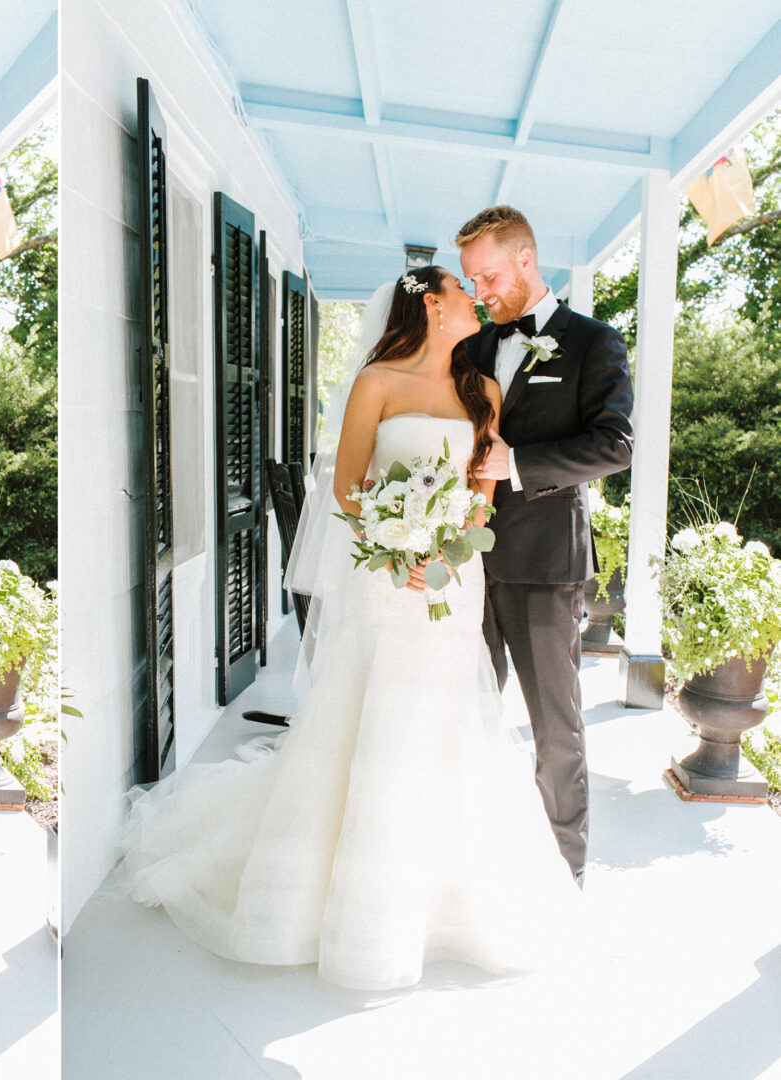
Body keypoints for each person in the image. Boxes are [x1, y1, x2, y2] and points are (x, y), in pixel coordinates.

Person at [117, 266, 580, 993]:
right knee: (372, 712)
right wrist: (399, 543)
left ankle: (438, 898)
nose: (475, 300)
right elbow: (346, 486)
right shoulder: (378, 382)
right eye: (463, 291)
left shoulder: (481, 391)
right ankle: (341, 896)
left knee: (444, 720)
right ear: (430, 304)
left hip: (452, 579)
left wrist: (447, 543)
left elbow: (481, 493)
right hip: (384, 574)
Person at [457, 206, 634, 883]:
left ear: (525, 260)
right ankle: (468, 858)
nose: (479, 292)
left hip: (543, 564)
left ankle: (566, 870)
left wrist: (518, 465)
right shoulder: (471, 345)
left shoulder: (593, 342)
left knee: (553, 726)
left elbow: (614, 445)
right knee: (461, 713)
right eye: (471, 281)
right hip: (463, 563)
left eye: (489, 276)